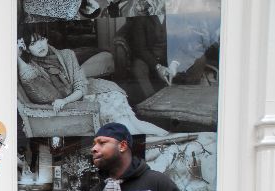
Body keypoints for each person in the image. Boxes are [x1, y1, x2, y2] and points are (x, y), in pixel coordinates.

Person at [17, 25, 167, 136]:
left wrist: (65, 100)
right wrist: (17, 56)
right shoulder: (32, 69)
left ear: (46, 38)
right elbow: (30, 78)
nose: (40, 45)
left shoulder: (67, 55)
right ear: (26, 49)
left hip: (102, 92)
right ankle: (166, 136)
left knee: (132, 124)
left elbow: (81, 86)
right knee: (130, 126)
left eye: (41, 39)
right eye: (33, 43)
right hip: (86, 102)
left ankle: (166, 136)